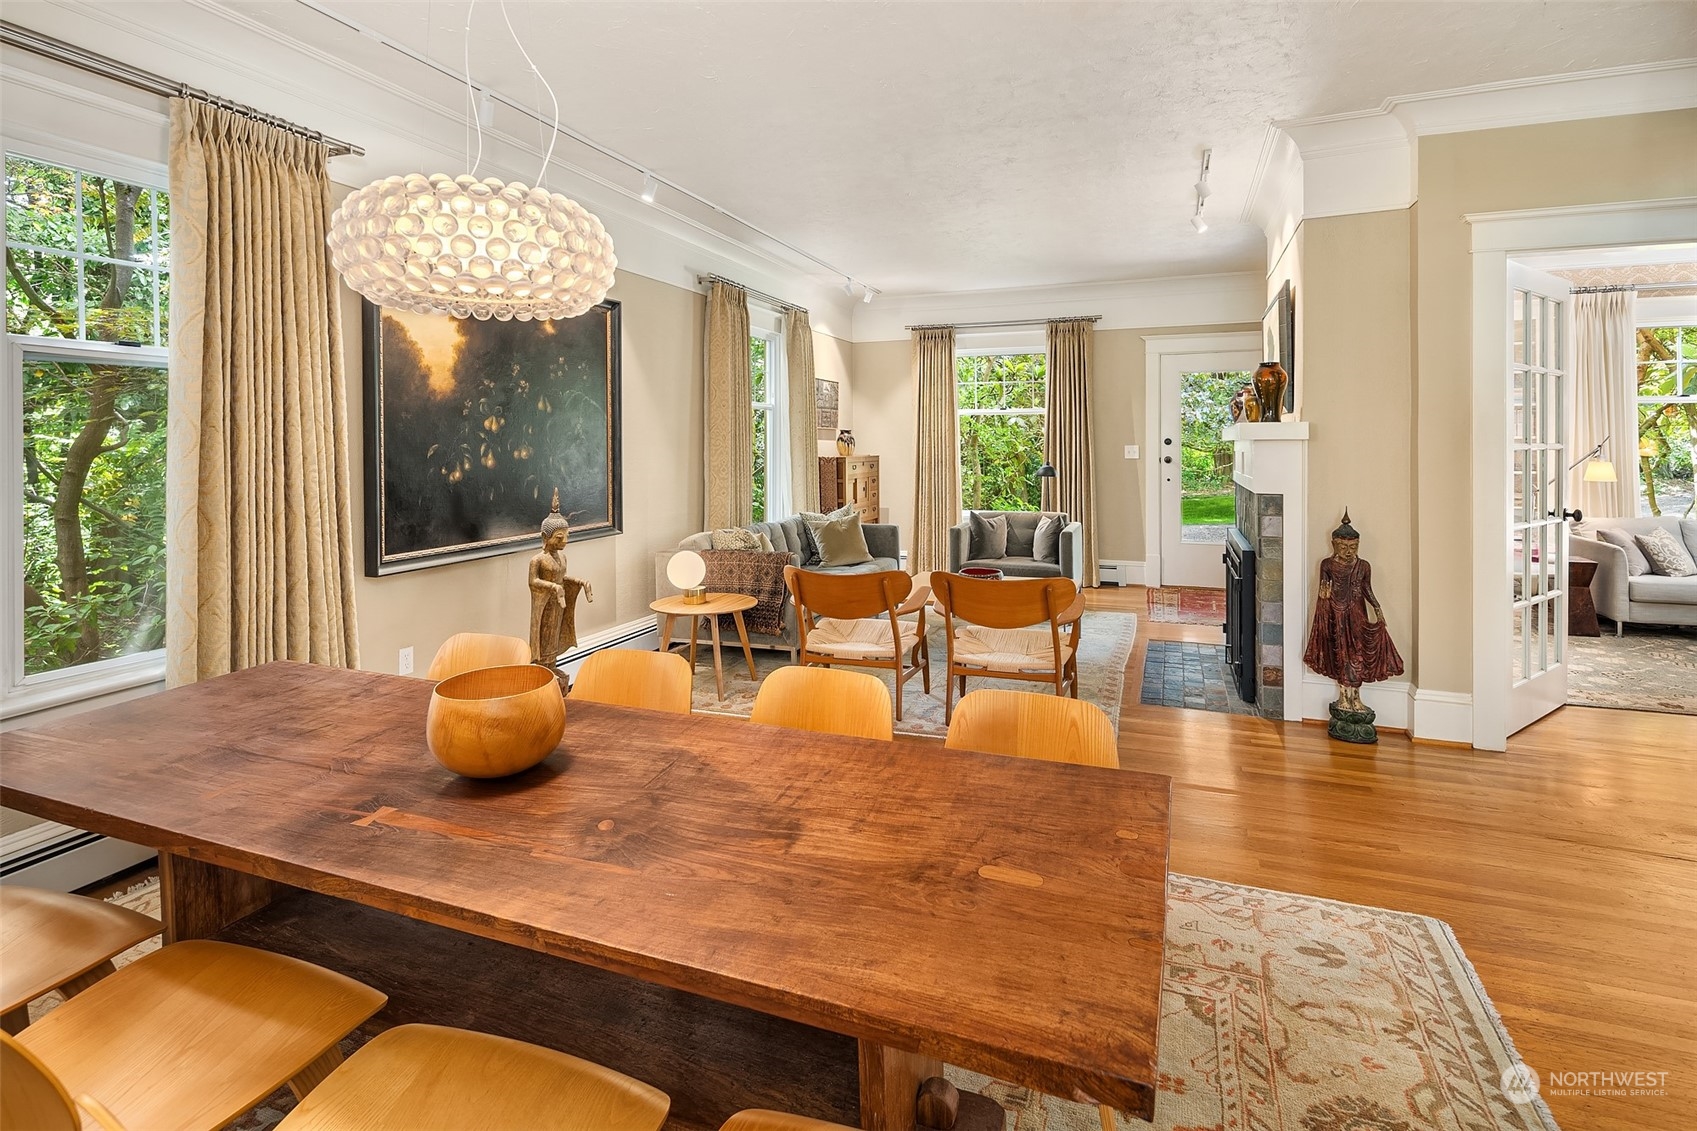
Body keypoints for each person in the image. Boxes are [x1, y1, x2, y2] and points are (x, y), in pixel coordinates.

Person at [1303, 511, 1403, 714]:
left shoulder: (1363, 566)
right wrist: (1324, 608)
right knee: (1340, 654)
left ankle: (1356, 698)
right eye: (1343, 547)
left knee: (1357, 654)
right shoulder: (1328, 565)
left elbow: (1367, 589)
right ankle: (1343, 697)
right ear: (1334, 545)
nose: (1348, 551)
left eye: (1353, 547)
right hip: (1336, 615)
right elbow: (1324, 593)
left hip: (1357, 615)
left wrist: (1377, 608)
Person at [528, 489, 592, 667]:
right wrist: (552, 587)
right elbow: (533, 582)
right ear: (544, 537)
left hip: (559, 605)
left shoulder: (562, 558)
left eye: (566, 536)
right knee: (545, 637)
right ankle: (544, 668)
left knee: (555, 636)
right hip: (546, 605)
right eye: (559, 537)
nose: (564, 541)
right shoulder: (537, 560)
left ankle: (553, 666)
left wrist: (580, 582)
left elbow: (562, 578)